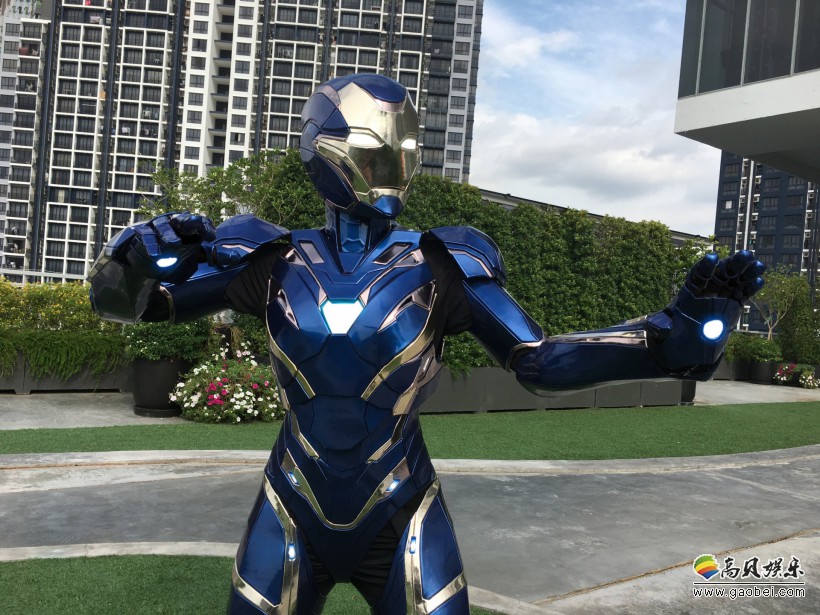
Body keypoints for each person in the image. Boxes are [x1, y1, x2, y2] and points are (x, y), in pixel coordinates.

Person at [88, 74, 764, 615]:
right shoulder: (270, 257)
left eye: (403, 147)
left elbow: (539, 360)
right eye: (375, 147)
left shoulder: (443, 263)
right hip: (292, 501)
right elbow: (128, 304)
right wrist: (133, 258)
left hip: (401, 507)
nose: (393, 163)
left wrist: (666, 337)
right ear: (325, 148)